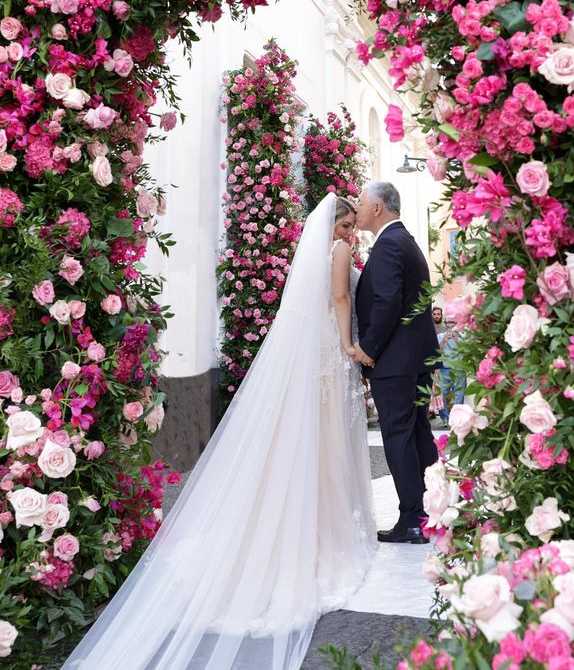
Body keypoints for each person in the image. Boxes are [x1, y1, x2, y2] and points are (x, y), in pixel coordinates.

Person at [64, 193, 375, 670]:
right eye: (347, 225)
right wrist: (348, 344)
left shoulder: (313, 252)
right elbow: (338, 298)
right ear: (333, 226)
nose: (351, 234)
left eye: (353, 227)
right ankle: (322, 536)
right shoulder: (337, 252)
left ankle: (305, 525)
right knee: (325, 449)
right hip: (328, 358)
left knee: (306, 449)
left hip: (312, 356)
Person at [352, 182, 439, 545]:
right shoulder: (406, 241)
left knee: (399, 436)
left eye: (360, 202)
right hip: (415, 359)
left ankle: (412, 518)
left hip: (395, 362)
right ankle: (430, 509)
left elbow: (387, 303)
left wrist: (369, 348)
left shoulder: (388, 244)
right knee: (418, 432)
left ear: (376, 208)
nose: (355, 209)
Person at [439, 320, 466, 420]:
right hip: (444, 369)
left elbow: (467, 351)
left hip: (459, 369)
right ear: (445, 325)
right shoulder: (440, 336)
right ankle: (445, 419)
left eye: (453, 325)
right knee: (442, 395)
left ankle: (457, 419)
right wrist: (444, 341)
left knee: (459, 395)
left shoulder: (462, 336)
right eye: (448, 325)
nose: (450, 327)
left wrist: (458, 341)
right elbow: (437, 352)